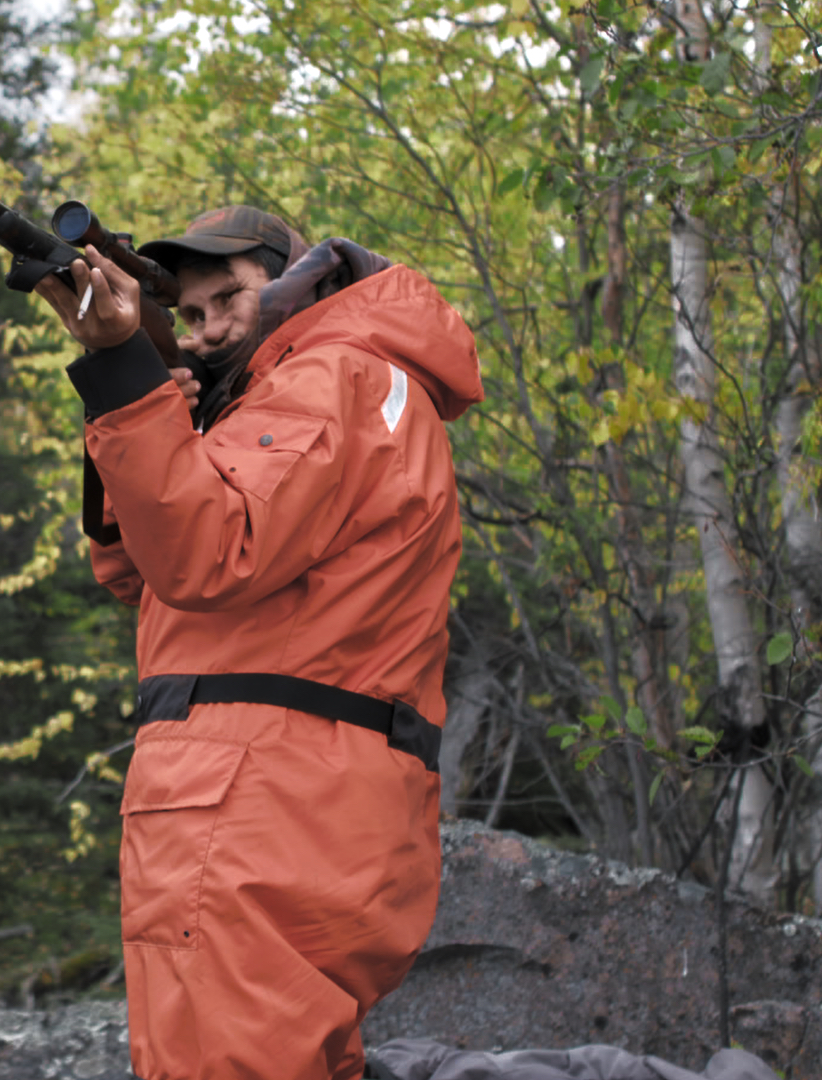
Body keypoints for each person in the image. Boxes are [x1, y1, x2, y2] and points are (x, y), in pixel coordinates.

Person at [30, 206, 484, 1080]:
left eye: (228, 298)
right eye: (190, 315)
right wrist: (146, 401)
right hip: (291, 795)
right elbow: (132, 569)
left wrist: (124, 371)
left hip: (260, 801)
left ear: (293, 284)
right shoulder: (336, 385)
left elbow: (205, 550)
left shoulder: (329, 375)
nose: (206, 332)